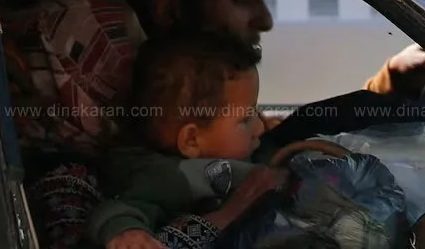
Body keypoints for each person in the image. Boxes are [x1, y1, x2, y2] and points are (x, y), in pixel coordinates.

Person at [86, 32, 288, 249]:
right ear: (192, 140)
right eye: (245, 119)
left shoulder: (235, 148)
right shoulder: (168, 178)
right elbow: (119, 208)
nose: (259, 126)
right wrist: (128, 232)